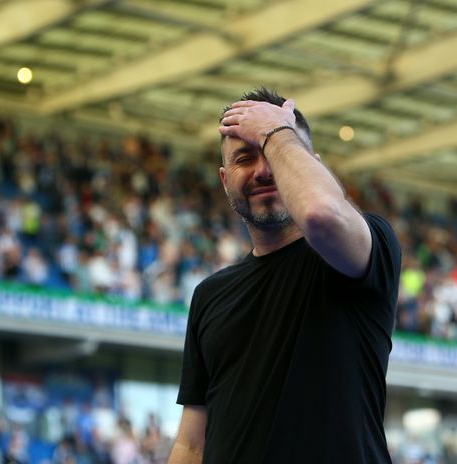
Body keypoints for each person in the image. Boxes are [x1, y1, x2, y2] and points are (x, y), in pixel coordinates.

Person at [168, 88, 401, 463]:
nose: (263, 169)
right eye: (246, 158)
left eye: (275, 152)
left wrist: (275, 131)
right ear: (225, 180)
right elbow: (192, 443)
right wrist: (277, 136)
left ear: (315, 167)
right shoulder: (210, 295)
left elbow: (321, 213)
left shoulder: (365, 247)